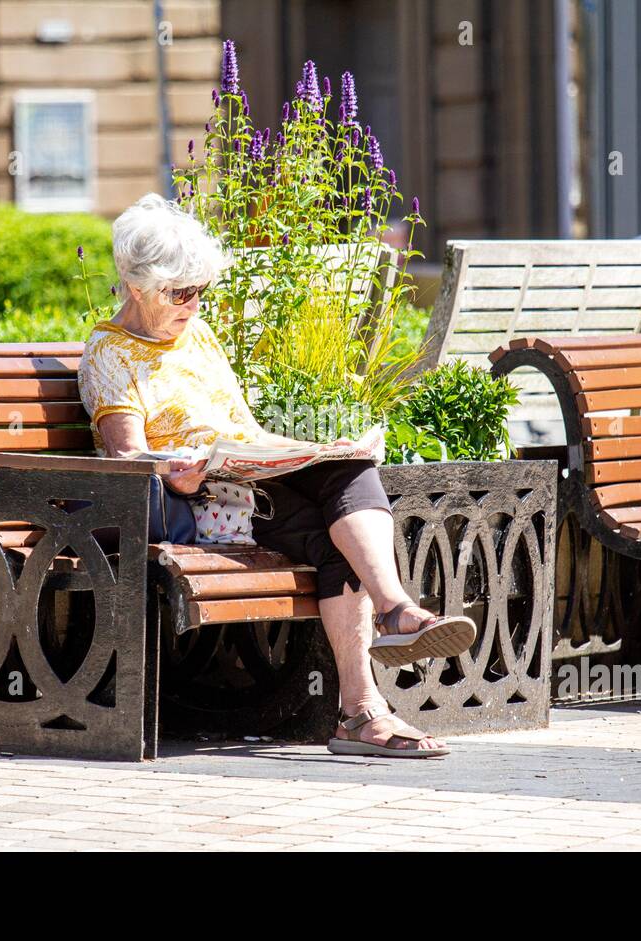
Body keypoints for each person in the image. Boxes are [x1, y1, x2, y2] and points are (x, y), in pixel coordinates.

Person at [77, 194, 478, 758]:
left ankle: (392, 618)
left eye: (200, 291)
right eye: (180, 293)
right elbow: (126, 459)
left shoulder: (198, 334)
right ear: (137, 284)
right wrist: (176, 472)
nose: (193, 304)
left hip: (245, 480)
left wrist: (311, 449)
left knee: (350, 466)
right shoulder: (109, 353)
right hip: (196, 502)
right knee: (331, 537)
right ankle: (365, 708)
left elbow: (242, 427)